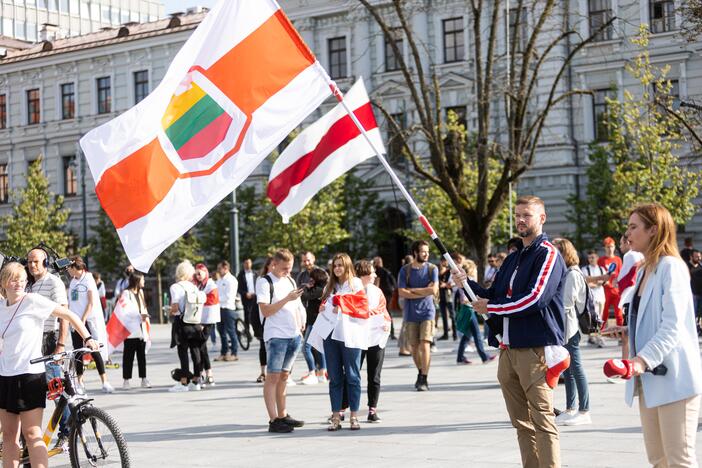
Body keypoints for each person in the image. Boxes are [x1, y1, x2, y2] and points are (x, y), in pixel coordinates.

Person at [458, 195, 566, 468]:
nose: (520, 220)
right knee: (521, 423)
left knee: (542, 419)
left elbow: (535, 298)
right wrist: (465, 283)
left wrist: (491, 306)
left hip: (535, 348)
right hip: (509, 349)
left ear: (542, 218)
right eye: (517, 215)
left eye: (526, 215)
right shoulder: (513, 257)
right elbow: (491, 293)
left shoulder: (548, 254)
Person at [609, 203, 702, 467]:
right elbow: (650, 317)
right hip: (649, 380)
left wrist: (639, 360)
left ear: (653, 230)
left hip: (674, 378)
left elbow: (673, 326)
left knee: (679, 460)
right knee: (658, 459)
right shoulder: (644, 269)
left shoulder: (671, 267)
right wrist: (626, 330)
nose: (627, 234)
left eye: (633, 227)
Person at [0, 262, 99, 468]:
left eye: (21, 279)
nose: (18, 282)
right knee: (9, 435)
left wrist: (88, 338)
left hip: (30, 375)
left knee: (32, 433)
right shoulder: (1, 308)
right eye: (13, 278)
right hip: (5, 375)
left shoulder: (32, 301)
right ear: (3, 283)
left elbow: (68, 314)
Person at [256, 249, 306, 433]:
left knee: (285, 376)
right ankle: (273, 419)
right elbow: (266, 311)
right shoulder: (264, 282)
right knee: (273, 377)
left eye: (290, 268)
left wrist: (302, 322)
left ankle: (283, 414)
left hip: (293, 334)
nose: (288, 272)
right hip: (276, 336)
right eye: (285, 268)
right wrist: (287, 298)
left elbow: (298, 305)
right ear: (274, 264)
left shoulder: (290, 280)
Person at [26, 247, 71, 450]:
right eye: (29, 262)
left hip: (49, 340)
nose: (32, 265)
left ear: (45, 262)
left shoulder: (54, 282)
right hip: (33, 340)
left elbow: (64, 315)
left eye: (36, 261)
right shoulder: (30, 285)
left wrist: (60, 345)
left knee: (56, 389)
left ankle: (68, 431)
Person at [322, 253, 365, 431]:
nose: (338, 268)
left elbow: (361, 305)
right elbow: (325, 305)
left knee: (353, 376)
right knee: (335, 377)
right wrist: (324, 306)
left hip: (350, 336)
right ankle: (335, 416)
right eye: (335, 265)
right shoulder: (329, 286)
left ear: (347, 266)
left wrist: (339, 301)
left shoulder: (356, 283)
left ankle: (354, 416)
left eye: (341, 265)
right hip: (331, 335)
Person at [552, 238, 591, 426]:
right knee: (567, 370)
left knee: (576, 368)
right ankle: (570, 408)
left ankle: (584, 410)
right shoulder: (565, 273)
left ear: (565, 253)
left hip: (570, 327)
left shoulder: (573, 274)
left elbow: (566, 303)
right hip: (564, 327)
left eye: (557, 251)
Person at [67, 256, 114, 393]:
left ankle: (105, 381)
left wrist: (82, 319)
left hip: (87, 321)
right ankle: (80, 382)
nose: (68, 271)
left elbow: (91, 302)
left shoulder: (88, 278)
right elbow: (72, 302)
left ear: (75, 267)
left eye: (69, 268)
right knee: (78, 352)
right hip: (75, 321)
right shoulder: (72, 282)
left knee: (94, 350)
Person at [397, 240, 439, 392]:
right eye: (423, 252)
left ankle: (424, 378)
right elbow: (401, 292)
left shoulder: (432, 269)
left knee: (425, 344)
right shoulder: (405, 271)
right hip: (410, 313)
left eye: (427, 252)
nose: (426, 254)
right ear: (415, 252)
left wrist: (412, 291)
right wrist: (423, 290)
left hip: (428, 312)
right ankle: (421, 371)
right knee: (414, 347)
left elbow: (433, 290)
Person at [356, 260, 391, 423]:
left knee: (374, 375)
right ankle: (342, 409)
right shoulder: (351, 291)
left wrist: (386, 324)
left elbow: (384, 311)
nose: (375, 275)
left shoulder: (377, 291)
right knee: (351, 375)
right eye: (372, 272)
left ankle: (372, 409)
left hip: (376, 338)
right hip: (356, 339)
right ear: (363, 274)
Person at [168, 260, 205, 392]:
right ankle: (196, 381)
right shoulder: (194, 287)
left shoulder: (175, 287)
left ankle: (184, 382)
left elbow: (175, 307)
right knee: (195, 351)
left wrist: (169, 311)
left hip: (181, 322)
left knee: (183, 352)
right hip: (194, 322)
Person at [454, 259, 495, 365]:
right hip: (469, 310)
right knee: (476, 334)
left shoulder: (465, 279)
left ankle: (460, 357)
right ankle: (484, 357)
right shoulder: (468, 280)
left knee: (467, 334)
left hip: (468, 309)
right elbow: (463, 299)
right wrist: (476, 301)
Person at [296, 252, 327, 384]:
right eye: (304, 261)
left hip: (316, 317)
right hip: (307, 316)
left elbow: (306, 294)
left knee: (307, 347)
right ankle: (321, 372)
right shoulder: (302, 275)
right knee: (316, 346)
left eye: (308, 260)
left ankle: (314, 372)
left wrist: (306, 288)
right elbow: (299, 292)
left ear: (313, 259)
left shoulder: (320, 273)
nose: (306, 263)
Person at [615, 234, 644, 361]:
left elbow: (623, 279)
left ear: (627, 242)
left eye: (621, 243)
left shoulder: (629, 255)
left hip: (629, 297)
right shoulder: (641, 255)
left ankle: (625, 363)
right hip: (640, 295)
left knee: (626, 334)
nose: (620, 246)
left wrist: (616, 282)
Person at [120, 271, 151, 389]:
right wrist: (138, 316)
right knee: (128, 356)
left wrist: (144, 317)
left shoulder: (141, 292)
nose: (144, 281)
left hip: (141, 329)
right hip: (130, 330)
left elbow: (143, 308)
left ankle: (144, 378)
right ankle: (126, 380)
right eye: (143, 279)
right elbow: (124, 311)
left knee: (141, 356)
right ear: (137, 281)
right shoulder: (126, 293)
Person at [194, 263, 220, 386]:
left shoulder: (210, 285)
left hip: (207, 320)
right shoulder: (199, 285)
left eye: (200, 273)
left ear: (205, 273)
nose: (198, 276)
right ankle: (206, 374)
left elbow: (212, 302)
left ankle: (206, 373)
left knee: (201, 345)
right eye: (196, 273)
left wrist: (198, 298)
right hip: (199, 319)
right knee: (201, 346)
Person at [582, 250, 608, 347]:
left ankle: (592, 337)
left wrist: (599, 282)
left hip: (601, 295)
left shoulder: (601, 269)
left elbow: (606, 280)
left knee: (600, 316)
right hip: (591, 297)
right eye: (590, 258)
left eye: (593, 257)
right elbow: (585, 282)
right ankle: (597, 337)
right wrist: (595, 283)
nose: (591, 259)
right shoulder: (585, 269)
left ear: (597, 258)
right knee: (594, 317)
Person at [215, 260, 239, 362]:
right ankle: (224, 353)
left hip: (228, 309)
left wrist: (216, 299)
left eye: (220, 268)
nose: (218, 271)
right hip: (219, 309)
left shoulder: (231, 280)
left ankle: (234, 353)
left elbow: (229, 296)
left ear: (226, 268)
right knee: (221, 332)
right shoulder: (219, 280)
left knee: (231, 331)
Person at [598, 237, 623, 329]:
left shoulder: (618, 260)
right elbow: (599, 274)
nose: (610, 249)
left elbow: (621, 274)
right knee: (603, 314)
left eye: (611, 246)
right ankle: (601, 334)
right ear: (605, 248)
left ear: (614, 247)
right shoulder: (601, 260)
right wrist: (605, 282)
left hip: (616, 290)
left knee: (619, 313)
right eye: (608, 247)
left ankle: (622, 334)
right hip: (605, 291)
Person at [373, 256, 397, 339]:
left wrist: (374, 292)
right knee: (388, 312)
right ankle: (392, 332)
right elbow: (394, 282)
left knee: (382, 312)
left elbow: (377, 282)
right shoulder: (387, 271)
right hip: (389, 293)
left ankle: (388, 330)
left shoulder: (378, 270)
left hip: (383, 293)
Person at [237, 258, 257, 340]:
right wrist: (245, 294)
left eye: (249, 263)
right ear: (243, 264)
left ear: (251, 263)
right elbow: (238, 288)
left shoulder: (255, 273)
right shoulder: (241, 275)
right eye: (246, 263)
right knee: (247, 316)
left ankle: (256, 332)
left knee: (255, 314)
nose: (247, 265)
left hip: (255, 297)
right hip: (246, 298)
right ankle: (248, 334)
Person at [437, 258, 456, 340]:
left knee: (452, 315)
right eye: (442, 261)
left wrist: (445, 285)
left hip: (448, 294)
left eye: (445, 261)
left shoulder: (450, 271)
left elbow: (453, 282)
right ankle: (445, 334)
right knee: (444, 315)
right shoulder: (437, 271)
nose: (443, 263)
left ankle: (455, 334)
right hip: (440, 295)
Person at [690, 250, 702, 329]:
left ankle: (699, 327)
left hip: (700, 293)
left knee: (700, 314)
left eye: (699, 256)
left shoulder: (701, 266)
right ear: (691, 257)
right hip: (692, 294)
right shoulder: (687, 266)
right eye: (696, 257)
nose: (698, 258)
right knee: (693, 312)